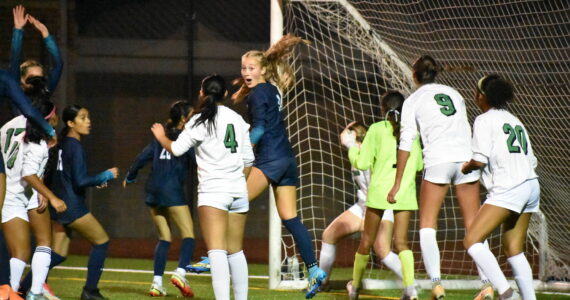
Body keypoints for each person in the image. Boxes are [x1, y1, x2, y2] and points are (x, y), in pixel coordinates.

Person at [387, 55, 492, 299]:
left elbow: (406, 143)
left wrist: (398, 182)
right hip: (465, 158)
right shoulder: (455, 94)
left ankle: (436, 285)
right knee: (474, 225)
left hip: (438, 160)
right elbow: (467, 127)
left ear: (415, 76)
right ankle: (486, 284)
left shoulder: (413, 101)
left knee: (427, 225)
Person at [234, 33, 327, 298]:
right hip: (287, 158)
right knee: (291, 218)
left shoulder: (257, 93)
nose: (247, 72)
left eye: (251, 68)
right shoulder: (273, 88)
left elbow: (260, 128)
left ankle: (216, 256)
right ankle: (313, 269)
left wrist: (243, 152)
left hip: (270, 158)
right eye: (244, 68)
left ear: (263, 69)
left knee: (233, 202)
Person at [151, 74, 254, 300]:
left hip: (213, 193)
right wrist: (236, 182)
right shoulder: (237, 118)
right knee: (236, 251)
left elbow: (176, 149)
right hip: (238, 190)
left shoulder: (198, 120)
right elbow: (248, 160)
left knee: (217, 251)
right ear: (225, 94)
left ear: (202, 93)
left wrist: (161, 137)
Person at [463, 75, 538, 300]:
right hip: (531, 185)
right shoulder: (515, 120)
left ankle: (507, 295)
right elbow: (533, 161)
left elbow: (479, 160)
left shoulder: (484, 120)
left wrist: (466, 168)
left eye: (477, 92)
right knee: (514, 248)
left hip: (510, 187)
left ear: (484, 96)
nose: (475, 97)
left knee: (472, 240)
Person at [343, 92, 423, 300]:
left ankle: (356, 288)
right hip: (404, 193)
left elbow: (361, 163)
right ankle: (410, 290)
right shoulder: (412, 132)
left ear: (382, 108)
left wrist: (351, 147)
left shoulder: (377, 129)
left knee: (366, 241)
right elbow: (420, 165)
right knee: (402, 243)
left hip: (379, 193)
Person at [0, 79, 66, 300]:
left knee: (19, 252)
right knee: (44, 242)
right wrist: (51, 196)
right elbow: (28, 172)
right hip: (22, 193)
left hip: (8, 192)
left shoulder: (8, 126)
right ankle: (35, 292)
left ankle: (9, 291)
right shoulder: (39, 142)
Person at [318, 122, 404, 291]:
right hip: (362, 206)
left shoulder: (372, 153)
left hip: (380, 207)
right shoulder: (357, 151)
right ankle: (322, 283)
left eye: (347, 134)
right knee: (329, 235)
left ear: (354, 136)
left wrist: (350, 143)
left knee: (383, 251)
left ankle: (411, 282)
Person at [123, 101, 196, 297]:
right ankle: (180, 272)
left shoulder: (159, 138)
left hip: (153, 190)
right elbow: (199, 160)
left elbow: (141, 158)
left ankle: (156, 283)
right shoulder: (186, 138)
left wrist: (130, 176)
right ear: (183, 119)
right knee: (188, 235)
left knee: (165, 238)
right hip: (171, 190)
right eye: (192, 114)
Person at [49, 105, 118, 300]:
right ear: (71, 123)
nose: (89, 121)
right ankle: (90, 291)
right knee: (102, 241)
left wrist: (96, 181)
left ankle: (24, 286)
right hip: (72, 206)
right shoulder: (75, 146)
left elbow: (69, 178)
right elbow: (80, 181)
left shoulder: (63, 144)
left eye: (88, 117)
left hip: (61, 204)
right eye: (83, 117)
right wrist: (104, 175)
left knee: (58, 253)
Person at [10, 5, 63, 95]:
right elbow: (15, 61)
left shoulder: (45, 92)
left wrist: (46, 34)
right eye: (31, 78)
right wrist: (18, 30)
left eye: (40, 78)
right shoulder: (16, 93)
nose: (36, 82)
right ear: (22, 80)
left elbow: (58, 65)